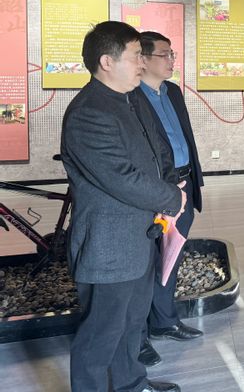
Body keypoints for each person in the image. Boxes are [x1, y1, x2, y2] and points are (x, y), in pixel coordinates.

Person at [61, 21, 186, 392]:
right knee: (101, 334)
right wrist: (172, 198)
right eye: (135, 57)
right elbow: (121, 177)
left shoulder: (130, 99)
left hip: (138, 237)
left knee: (132, 323)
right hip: (109, 246)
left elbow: (158, 151)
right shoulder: (89, 112)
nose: (142, 64)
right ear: (106, 62)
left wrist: (170, 187)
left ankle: (131, 384)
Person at [133, 31, 205, 368]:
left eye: (173, 54)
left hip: (184, 183)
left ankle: (164, 321)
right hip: (155, 189)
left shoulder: (172, 92)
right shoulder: (131, 96)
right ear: (143, 59)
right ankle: (137, 338)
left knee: (170, 258)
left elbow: (183, 137)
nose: (172, 60)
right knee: (143, 265)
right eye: (165, 54)